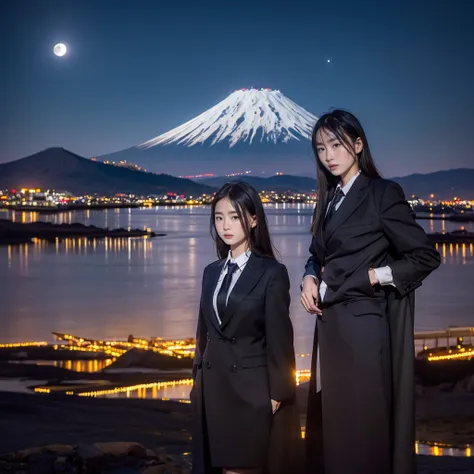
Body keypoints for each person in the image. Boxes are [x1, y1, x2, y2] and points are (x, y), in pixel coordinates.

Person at [301, 110, 441, 474]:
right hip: (330, 331)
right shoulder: (329, 198)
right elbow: (317, 255)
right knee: (333, 436)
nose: (328, 155)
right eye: (320, 148)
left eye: (336, 144)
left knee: (362, 437)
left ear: (358, 145)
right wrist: (308, 277)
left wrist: (376, 275)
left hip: (364, 334)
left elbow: (425, 256)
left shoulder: (381, 194)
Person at [191, 181, 301, 474]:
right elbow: (203, 333)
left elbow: (280, 338)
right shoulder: (210, 272)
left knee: (243, 469)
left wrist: (277, 393)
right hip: (213, 393)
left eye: (235, 216)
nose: (225, 225)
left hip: (250, 393)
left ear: (253, 220)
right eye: (219, 217)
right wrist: (196, 382)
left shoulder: (271, 273)